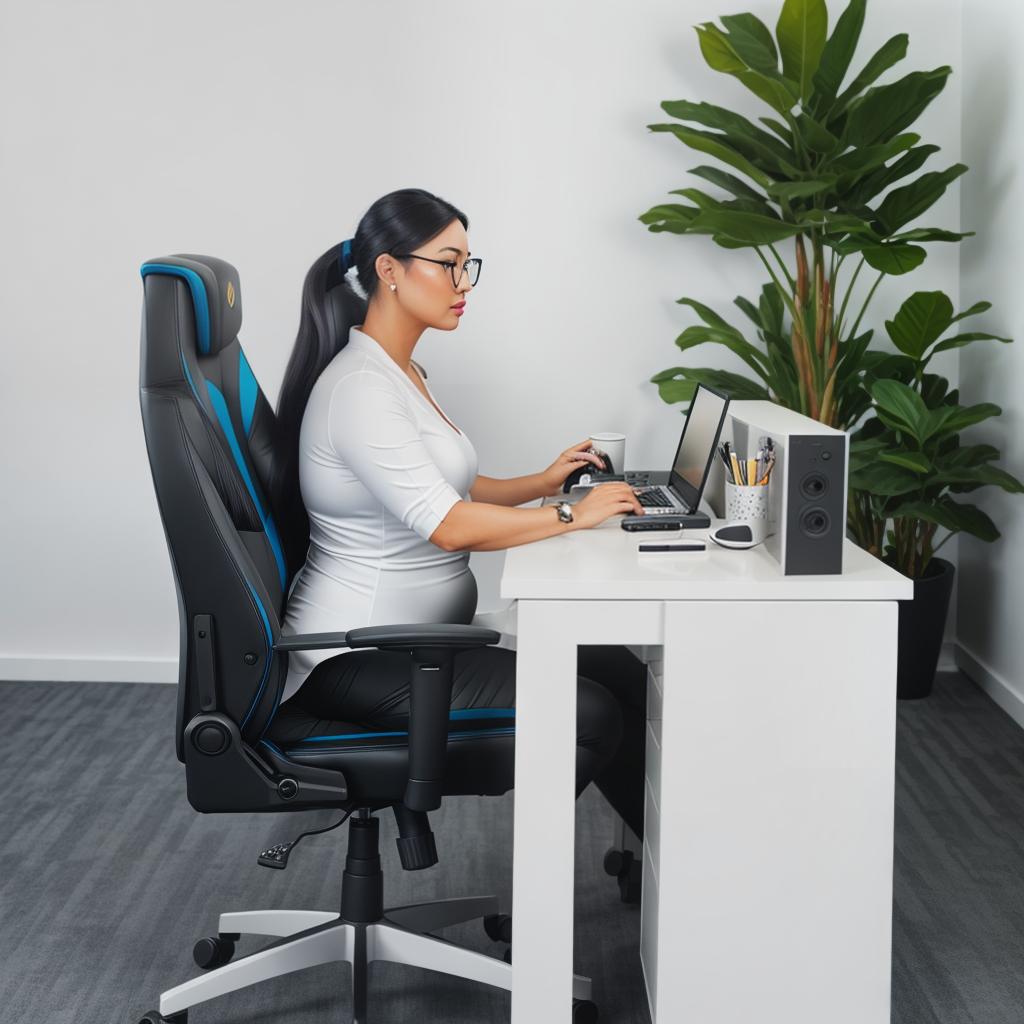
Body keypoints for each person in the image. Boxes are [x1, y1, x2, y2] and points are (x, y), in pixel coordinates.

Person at [270, 187, 648, 846]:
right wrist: (573, 515)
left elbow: (454, 488)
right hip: (352, 659)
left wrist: (546, 483)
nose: (462, 282)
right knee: (590, 714)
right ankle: (540, 918)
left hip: (413, 641)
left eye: (468, 264)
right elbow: (448, 524)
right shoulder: (362, 389)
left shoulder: (401, 370)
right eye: (447, 263)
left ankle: (683, 878)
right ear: (389, 269)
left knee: (614, 666)